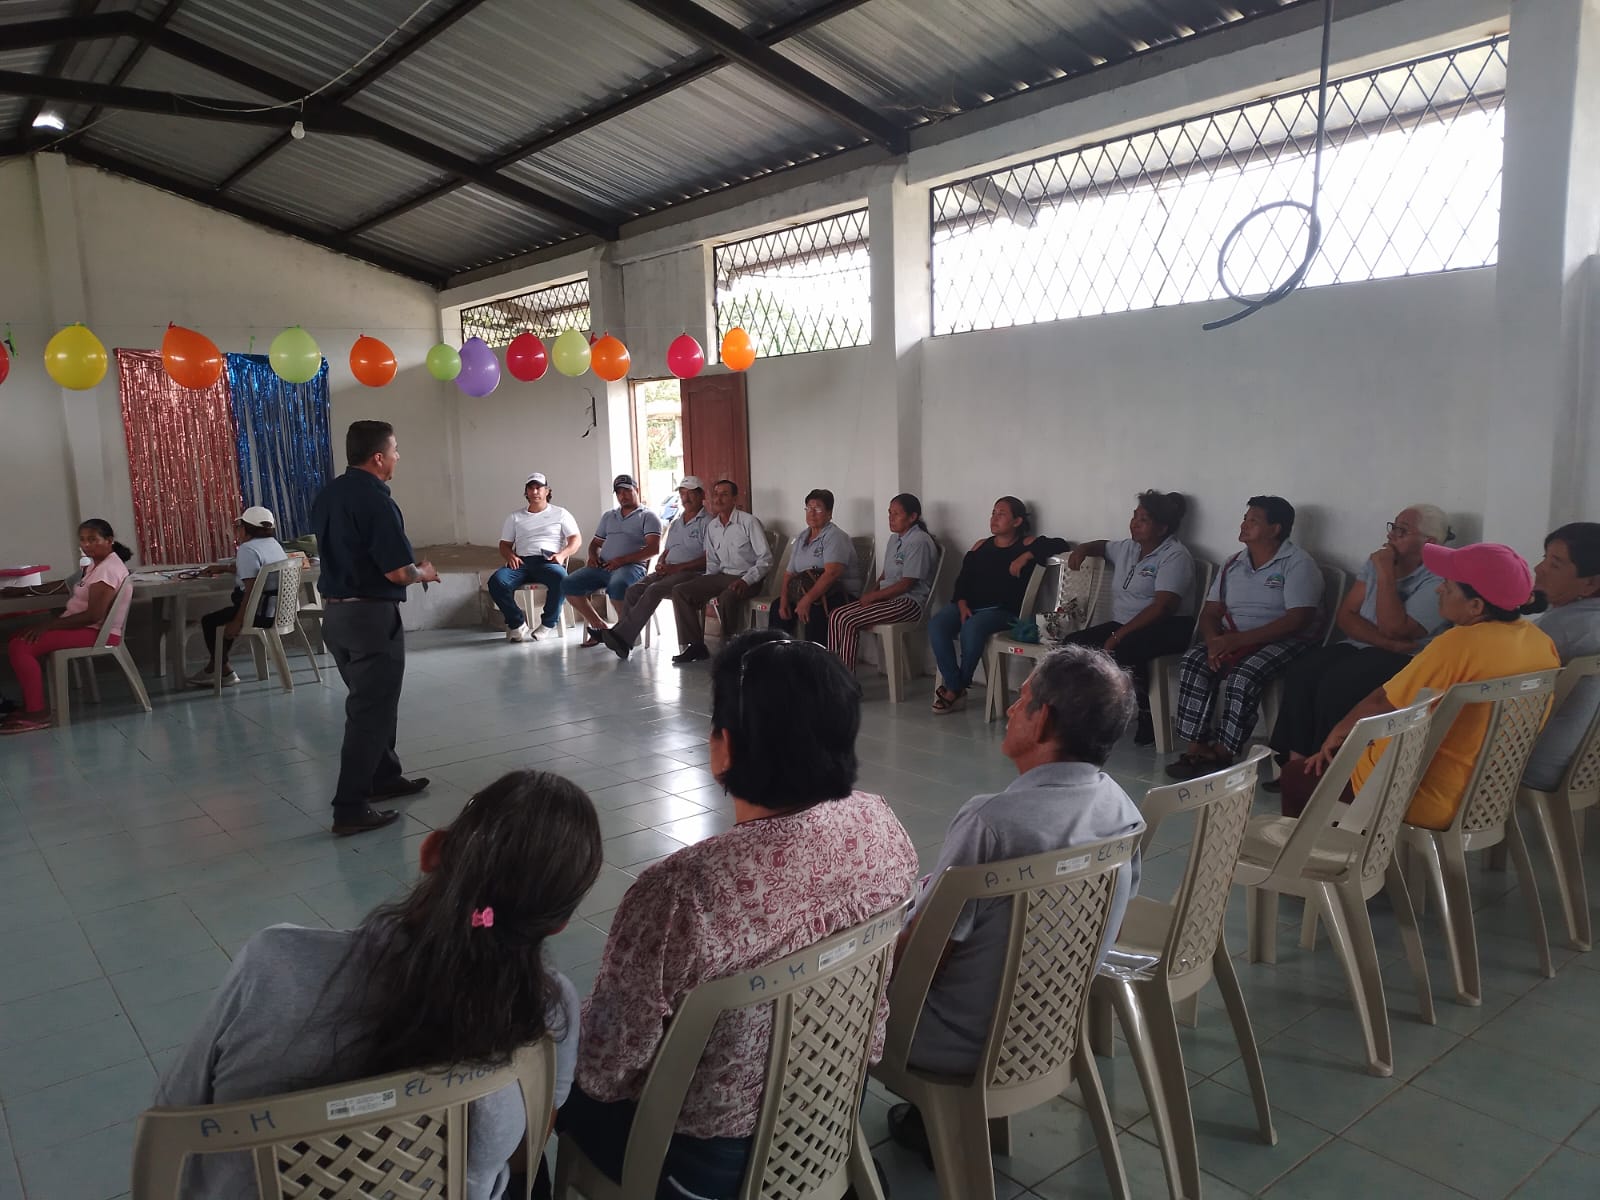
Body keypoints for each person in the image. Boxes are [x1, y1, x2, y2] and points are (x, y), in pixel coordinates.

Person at [564, 630, 918, 1198]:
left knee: (553, 1087)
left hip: (708, 1161)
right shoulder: (880, 823)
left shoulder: (682, 891)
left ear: (724, 746)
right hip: (830, 1111)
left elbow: (608, 1070)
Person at [155, 769, 603, 1200]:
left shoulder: (273, 965)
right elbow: (526, 1152)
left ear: (431, 851)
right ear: (557, 924)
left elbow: (171, 1121)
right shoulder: (547, 1010)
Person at [887, 645, 1145, 1151]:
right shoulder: (1122, 809)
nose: (1009, 709)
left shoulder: (991, 823)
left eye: (1021, 699)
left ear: (1043, 719)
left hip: (957, 1044)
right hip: (1047, 1031)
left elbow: (923, 955)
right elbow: (1109, 924)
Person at [1280, 542, 1559, 829]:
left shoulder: (1458, 643)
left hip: (1413, 796)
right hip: (1485, 796)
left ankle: (1320, 854)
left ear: (1476, 606)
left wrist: (1337, 733)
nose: (1439, 589)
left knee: (1296, 775)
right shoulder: (1541, 643)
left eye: (1448, 586)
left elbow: (1382, 703)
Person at [310, 420, 437, 836]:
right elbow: (399, 572)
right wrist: (425, 572)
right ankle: (349, 808)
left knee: (374, 702)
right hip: (369, 618)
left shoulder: (329, 495)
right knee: (369, 712)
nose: (398, 457)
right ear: (379, 457)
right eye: (395, 450)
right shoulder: (377, 501)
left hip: (337, 618)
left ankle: (384, 776)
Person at [1266, 505, 1451, 776]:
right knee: (1302, 672)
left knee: (1338, 684)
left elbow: (1395, 628)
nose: (1391, 534)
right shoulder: (1377, 562)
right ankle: (1296, 764)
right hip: (1366, 645)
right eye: (1393, 526)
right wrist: (1386, 641)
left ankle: (1326, 769)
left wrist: (1386, 574)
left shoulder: (1438, 577)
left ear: (1429, 542)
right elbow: (1347, 615)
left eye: (1402, 530)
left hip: (1406, 657)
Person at [1166, 495, 1323, 779]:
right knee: (1193, 662)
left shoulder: (1297, 563)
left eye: (1253, 520)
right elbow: (1211, 612)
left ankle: (1224, 752)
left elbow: (1298, 619)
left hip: (1286, 640)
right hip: (1232, 637)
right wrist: (1213, 642)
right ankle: (1197, 747)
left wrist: (1237, 642)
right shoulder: (1233, 563)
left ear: (1275, 529)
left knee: (1244, 674)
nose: (1244, 525)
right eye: (1245, 518)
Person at [1058, 491, 1196, 741]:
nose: (1134, 523)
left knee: (1126, 648)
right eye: (1134, 517)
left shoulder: (1175, 555)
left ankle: (1146, 714)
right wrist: (1084, 548)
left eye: (1144, 520)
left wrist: (1117, 635)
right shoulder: (1128, 548)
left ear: (1162, 528)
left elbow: (1163, 607)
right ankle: (1082, 711)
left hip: (1169, 626)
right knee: (1073, 645)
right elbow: (1102, 546)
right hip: (1125, 623)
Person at [926, 496, 1068, 715]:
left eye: (1001, 514)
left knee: (972, 627)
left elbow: (1060, 544)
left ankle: (954, 689)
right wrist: (962, 604)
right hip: (968, 605)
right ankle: (956, 685)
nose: (994, 518)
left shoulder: (1027, 544)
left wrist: (1025, 556)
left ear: (1017, 521)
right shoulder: (980, 545)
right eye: (993, 513)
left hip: (1002, 611)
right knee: (937, 625)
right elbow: (963, 581)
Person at [613, 479, 770, 665]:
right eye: (716, 494)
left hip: (747, 577)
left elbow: (766, 559)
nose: (719, 499)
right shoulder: (714, 527)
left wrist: (746, 580)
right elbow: (713, 562)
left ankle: (730, 647)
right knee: (681, 591)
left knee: (728, 596)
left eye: (724, 494)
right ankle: (695, 646)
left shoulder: (748, 522)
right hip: (721, 576)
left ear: (734, 498)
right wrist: (704, 585)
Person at [1, 518, 134, 735]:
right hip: (86, 628)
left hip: (97, 632)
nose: (86, 545)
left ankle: (37, 713)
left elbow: (93, 615)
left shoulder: (107, 570)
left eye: (93, 539)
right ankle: (30, 705)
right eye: (83, 540)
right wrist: (23, 590)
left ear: (109, 540)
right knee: (18, 637)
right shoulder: (94, 565)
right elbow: (64, 585)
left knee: (21, 645)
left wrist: (49, 625)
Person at [1523, 523, 1600, 790]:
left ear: (1590, 583)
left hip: (1531, 766)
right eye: (1545, 558)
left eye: (1555, 564)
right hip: (1584, 768)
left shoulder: (1561, 628)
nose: (1538, 569)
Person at [827, 493, 940, 673]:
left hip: (909, 602)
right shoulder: (895, 539)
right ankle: (833, 673)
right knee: (836, 615)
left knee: (848, 619)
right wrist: (871, 595)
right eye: (889, 513)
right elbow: (885, 575)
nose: (891, 518)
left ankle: (845, 679)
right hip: (888, 599)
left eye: (896, 514)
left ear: (912, 517)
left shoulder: (919, 541)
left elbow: (906, 584)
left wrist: (874, 597)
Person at [601, 477, 709, 651]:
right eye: (683, 494)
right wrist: (660, 563)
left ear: (702, 495)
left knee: (654, 590)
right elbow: (666, 551)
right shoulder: (677, 522)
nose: (686, 498)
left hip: (692, 573)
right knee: (633, 590)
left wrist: (678, 568)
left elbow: (708, 558)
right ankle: (626, 640)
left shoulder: (709, 522)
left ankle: (621, 636)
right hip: (669, 570)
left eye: (691, 493)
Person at [187, 505, 289, 688]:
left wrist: (239, 621)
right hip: (277, 611)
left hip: (259, 612)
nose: (237, 531)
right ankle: (217, 667)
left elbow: (251, 590)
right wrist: (225, 568)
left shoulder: (247, 549)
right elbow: (259, 573)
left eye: (239, 527)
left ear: (246, 529)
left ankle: (223, 669)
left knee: (210, 621)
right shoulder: (274, 544)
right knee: (227, 616)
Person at [563, 474, 662, 647]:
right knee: (568, 584)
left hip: (631, 567)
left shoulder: (648, 516)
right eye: (619, 492)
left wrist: (623, 560)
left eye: (627, 491)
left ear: (636, 490)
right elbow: (595, 544)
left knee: (617, 585)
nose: (622, 495)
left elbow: (653, 549)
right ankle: (599, 627)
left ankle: (627, 634)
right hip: (603, 566)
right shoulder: (609, 516)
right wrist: (593, 556)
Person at [487, 472, 582, 643]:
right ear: (526, 492)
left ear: (547, 491)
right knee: (496, 581)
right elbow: (504, 544)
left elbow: (576, 539)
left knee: (562, 578)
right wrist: (510, 555)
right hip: (521, 562)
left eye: (539, 488)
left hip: (548, 561)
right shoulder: (515, 517)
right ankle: (517, 622)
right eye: (531, 488)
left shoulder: (560, 513)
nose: (535, 491)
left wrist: (562, 555)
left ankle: (547, 624)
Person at [771, 488, 863, 644]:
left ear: (829, 513)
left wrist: (807, 600)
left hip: (839, 594)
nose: (812, 513)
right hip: (808, 592)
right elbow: (789, 573)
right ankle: (780, 654)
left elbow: (832, 574)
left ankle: (816, 657)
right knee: (777, 607)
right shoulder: (802, 537)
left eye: (818, 509)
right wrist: (784, 600)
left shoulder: (835, 537)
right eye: (809, 508)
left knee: (815, 611)